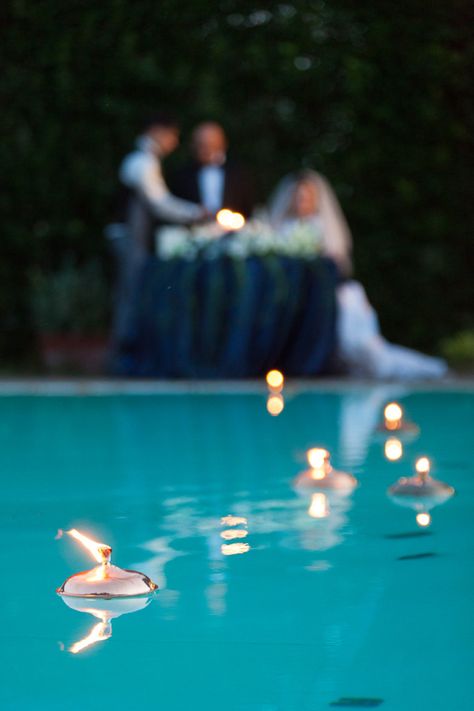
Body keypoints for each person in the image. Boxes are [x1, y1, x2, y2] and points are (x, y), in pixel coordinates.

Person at [268, 170, 448, 379]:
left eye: (307, 197)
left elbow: (339, 265)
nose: (302, 202)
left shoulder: (324, 226)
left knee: (366, 353)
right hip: (299, 300)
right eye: (298, 197)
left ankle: (427, 367)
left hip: (336, 295)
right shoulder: (282, 228)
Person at [109, 112, 206, 352]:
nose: (174, 142)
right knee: (131, 294)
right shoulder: (141, 162)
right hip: (128, 238)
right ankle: (125, 356)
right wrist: (196, 213)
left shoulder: (146, 161)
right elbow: (158, 203)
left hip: (134, 238)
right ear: (156, 132)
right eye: (173, 135)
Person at [170, 121, 255, 218]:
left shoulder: (240, 174)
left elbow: (248, 209)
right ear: (193, 146)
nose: (207, 151)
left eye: (212, 146)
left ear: (223, 145)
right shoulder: (181, 176)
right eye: (202, 146)